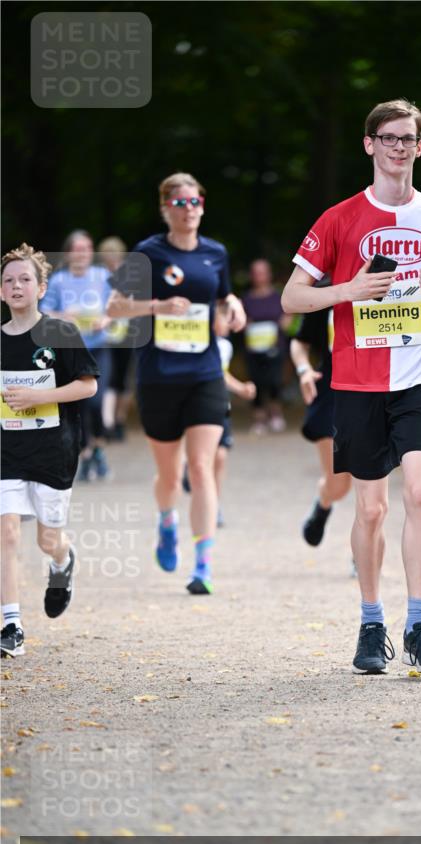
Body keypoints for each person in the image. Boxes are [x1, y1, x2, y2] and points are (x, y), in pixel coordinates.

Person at [282, 98, 421, 674]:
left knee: (420, 493)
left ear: (420, 147)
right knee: (370, 508)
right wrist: (347, 291)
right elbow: (295, 296)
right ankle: (372, 624)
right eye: (388, 138)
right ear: (369, 145)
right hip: (358, 380)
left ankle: (419, 625)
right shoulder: (339, 218)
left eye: (408, 139)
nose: (399, 147)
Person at [106, 172, 246, 595]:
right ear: (166, 208)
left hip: (204, 373)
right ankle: (167, 520)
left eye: (195, 201)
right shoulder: (148, 253)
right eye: (180, 203)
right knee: (169, 475)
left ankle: (202, 563)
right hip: (159, 375)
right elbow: (113, 309)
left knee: (202, 466)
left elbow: (222, 296)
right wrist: (157, 305)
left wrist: (234, 303)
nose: (189, 210)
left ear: (203, 205)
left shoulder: (215, 253)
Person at [1, 243, 99, 657]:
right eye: (8, 280)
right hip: (7, 450)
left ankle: (63, 562)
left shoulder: (61, 334)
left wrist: (39, 399)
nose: (17, 285)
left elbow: (88, 385)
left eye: (25, 279)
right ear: (1, 292)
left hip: (53, 449)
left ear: (41, 288)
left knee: (47, 539)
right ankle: (11, 625)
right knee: (6, 533)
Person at [41, 229, 113, 480]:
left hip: (98, 347)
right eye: (78, 249)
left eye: (87, 249)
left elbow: (117, 305)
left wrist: (105, 319)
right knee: (78, 405)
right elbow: (45, 312)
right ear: (68, 253)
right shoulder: (59, 280)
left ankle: (100, 449)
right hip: (71, 351)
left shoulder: (103, 276)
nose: (83, 254)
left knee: (96, 401)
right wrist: (65, 316)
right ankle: (84, 454)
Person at [289, 278, 353, 546]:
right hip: (332, 392)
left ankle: (363, 555)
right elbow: (299, 343)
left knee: (371, 486)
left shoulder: (391, 282)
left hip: (378, 388)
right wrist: (304, 371)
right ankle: (324, 501)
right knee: (339, 485)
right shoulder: (327, 289)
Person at [183, 301, 256, 527]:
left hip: (221, 406)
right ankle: (202, 497)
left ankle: (215, 504)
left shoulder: (225, 346)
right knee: (203, 459)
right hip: (198, 406)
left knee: (221, 457)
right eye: (225, 317)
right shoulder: (195, 344)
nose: (228, 322)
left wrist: (240, 388)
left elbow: (222, 374)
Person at [242, 258, 290, 434]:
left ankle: (276, 414)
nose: (259, 276)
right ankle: (259, 418)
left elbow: (289, 317)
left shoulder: (278, 296)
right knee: (256, 382)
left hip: (275, 347)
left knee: (275, 381)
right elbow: (241, 321)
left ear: (269, 274)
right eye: (256, 272)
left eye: (262, 272)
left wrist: (284, 323)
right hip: (253, 349)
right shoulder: (246, 299)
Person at [98, 236, 133, 442]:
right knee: (108, 379)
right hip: (104, 335)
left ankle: (119, 420)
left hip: (126, 334)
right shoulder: (98, 276)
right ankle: (108, 423)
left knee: (123, 381)